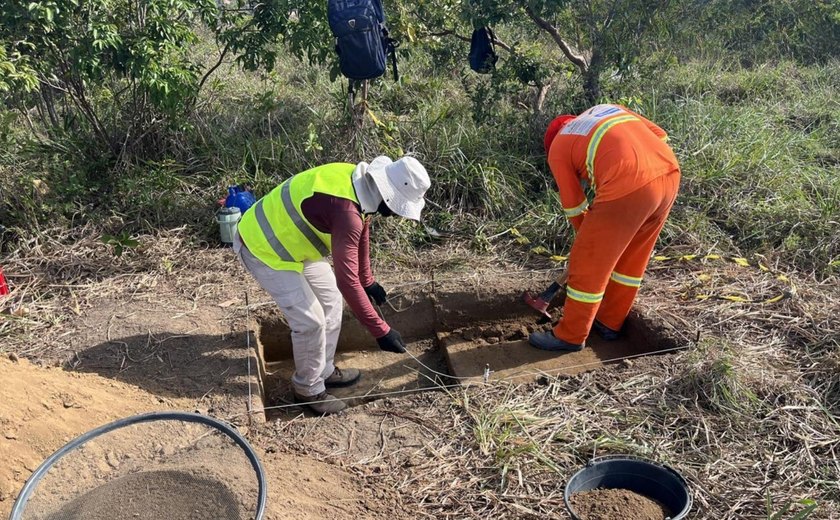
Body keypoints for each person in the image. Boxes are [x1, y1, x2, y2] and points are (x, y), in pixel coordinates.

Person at [234, 156, 431, 414]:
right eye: (399, 207)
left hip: (293, 242)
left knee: (331, 300)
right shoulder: (346, 210)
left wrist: (368, 281)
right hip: (263, 246)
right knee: (310, 322)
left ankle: (323, 370)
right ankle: (308, 389)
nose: (397, 214)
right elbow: (347, 281)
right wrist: (381, 331)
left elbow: (362, 232)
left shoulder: (360, 185)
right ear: (389, 196)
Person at [530, 104, 680, 352]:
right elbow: (661, 135)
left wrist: (589, 244)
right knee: (631, 259)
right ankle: (609, 322)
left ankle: (570, 336)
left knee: (587, 262)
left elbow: (575, 206)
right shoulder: (606, 110)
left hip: (628, 182)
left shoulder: (558, 147)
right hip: (669, 174)